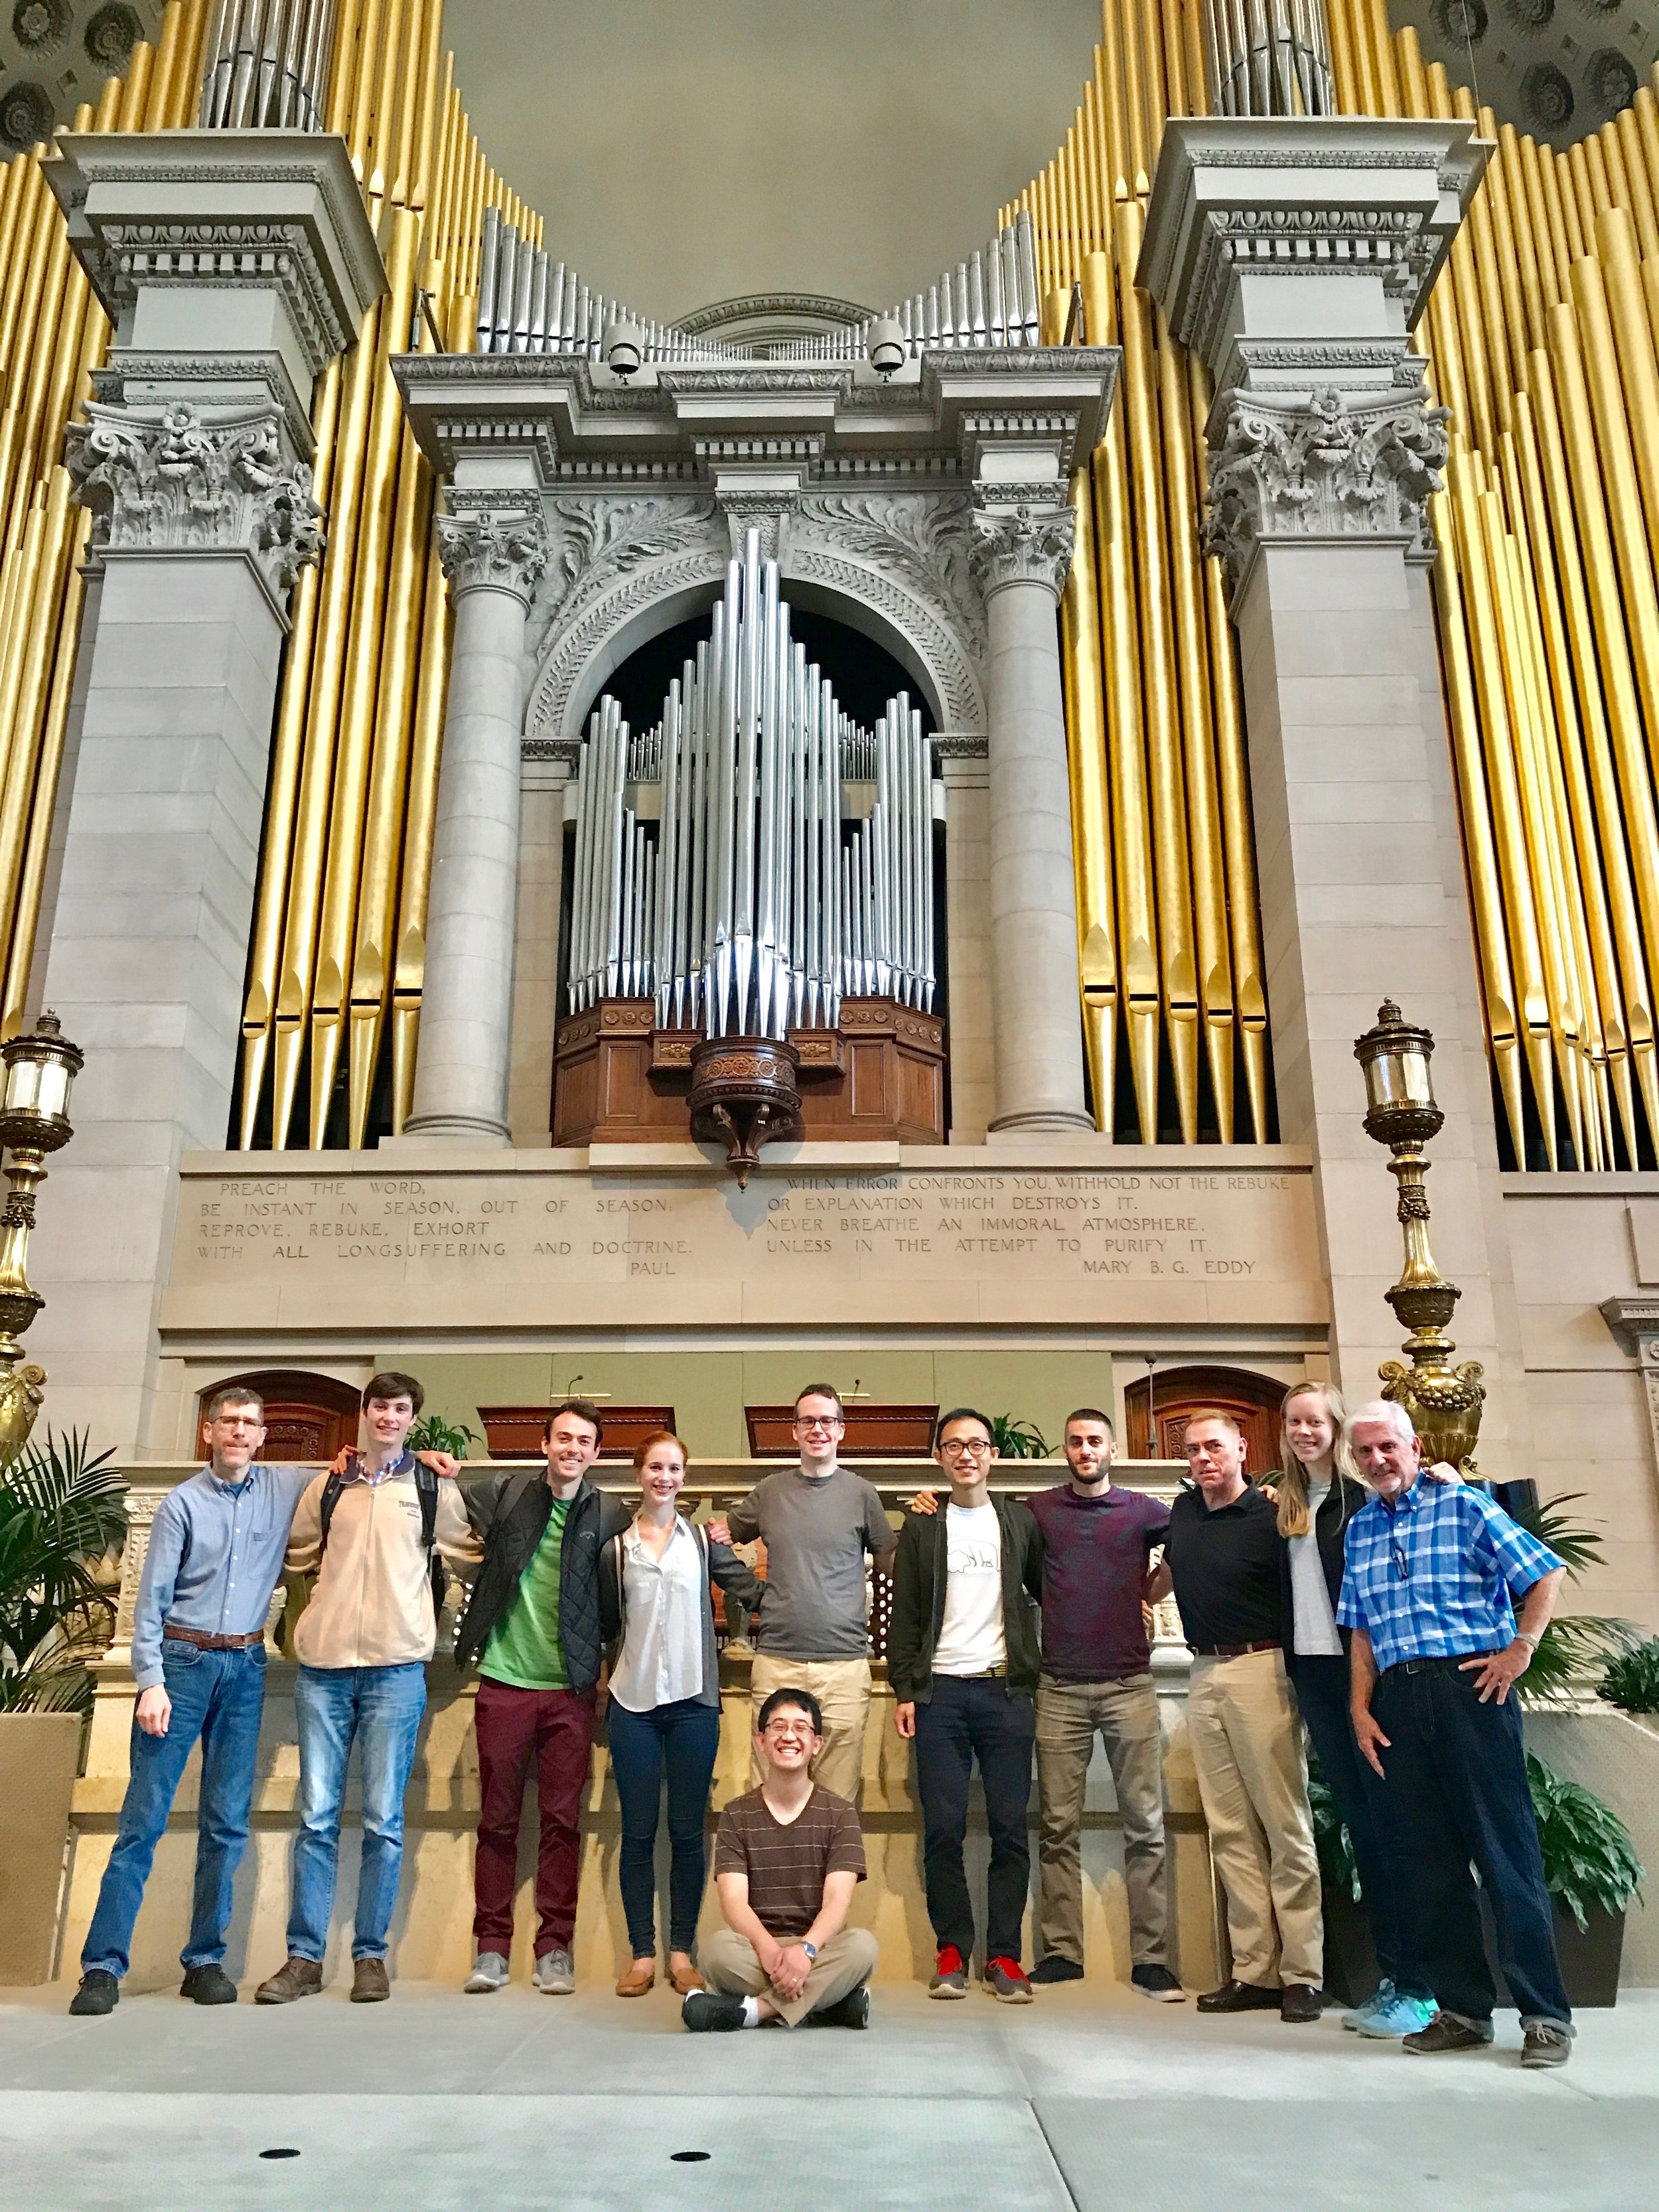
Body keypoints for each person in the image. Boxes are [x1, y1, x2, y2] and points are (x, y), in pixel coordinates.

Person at [1340, 1399, 1573, 2069]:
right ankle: (1464, 2010)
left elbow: (1543, 1571)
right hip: (1396, 1697)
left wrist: (1521, 1648)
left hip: (1471, 1688)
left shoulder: (1464, 1507)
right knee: (1427, 1864)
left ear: (1414, 1447)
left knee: (1505, 1856)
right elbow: (1359, 1628)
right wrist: (1360, 1709)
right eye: (1365, 1452)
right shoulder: (1359, 1531)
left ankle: (1545, 2016)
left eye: (1388, 1447)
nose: (1378, 1460)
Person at [70, 1389, 308, 2016]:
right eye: (228, 1421)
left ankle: (204, 1959)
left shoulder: (284, 1488)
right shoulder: (182, 1503)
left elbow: (357, 1464)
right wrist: (149, 1680)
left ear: (263, 1435)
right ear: (209, 1432)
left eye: (250, 1423)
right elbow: (150, 1601)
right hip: (181, 1664)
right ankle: (101, 1966)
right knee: (142, 1820)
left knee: (226, 1822)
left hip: (246, 1666)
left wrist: (428, 1458)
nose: (239, 1431)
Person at [255, 1372, 474, 2006]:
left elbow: (474, 1555)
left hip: (396, 1672)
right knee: (317, 1817)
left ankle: (370, 1954)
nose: (388, 1416)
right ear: (364, 1412)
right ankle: (303, 1957)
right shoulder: (330, 1484)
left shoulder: (432, 1487)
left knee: (383, 1819)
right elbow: (296, 1559)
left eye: (401, 1408)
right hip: (323, 1670)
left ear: (414, 1419)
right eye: (379, 1405)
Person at [1271, 1380, 1438, 2037]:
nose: (1304, 1431)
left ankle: (1421, 1986)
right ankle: (1394, 1978)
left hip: (1365, 1675)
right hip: (1312, 1676)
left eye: (1315, 1421)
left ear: (1336, 1428)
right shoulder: (1285, 1503)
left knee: (1398, 1829)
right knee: (1365, 1830)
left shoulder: (1361, 1497)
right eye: (1293, 1421)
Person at [450, 1397, 630, 1996]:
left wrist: (604, 1671)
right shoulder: (507, 1495)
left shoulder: (608, 1514)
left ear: (596, 1453)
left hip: (571, 1690)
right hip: (505, 1681)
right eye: (562, 1438)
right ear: (545, 1444)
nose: (572, 1448)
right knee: (497, 1822)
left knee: (561, 1823)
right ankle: (491, 1948)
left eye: (584, 1441)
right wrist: (433, 1461)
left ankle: (555, 1947)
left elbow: (618, 1600)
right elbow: (446, 1489)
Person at [1161, 1409, 1324, 2023]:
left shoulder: (1274, 1513)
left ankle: (1303, 1972)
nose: (1204, 1457)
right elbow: (1161, 1570)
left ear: (1240, 1448)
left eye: (1215, 1447)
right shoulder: (1181, 1513)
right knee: (1229, 1829)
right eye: (1194, 1449)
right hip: (1203, 1673)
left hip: (1263, 1668)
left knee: (1285, 1826)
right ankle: (1255, 1970)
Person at [889, 1407, 1045, 2003]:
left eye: (977, 1444)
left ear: (993, 1455)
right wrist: (906, 1689)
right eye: (953, 1446)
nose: (966, 1455)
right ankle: (952, 1948)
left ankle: (1005, 1955)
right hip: (941, 1695)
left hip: (1006, 1692)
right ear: (939, 1457)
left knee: (1009, 1830)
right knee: (944, 1829)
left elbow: (1044, 1589)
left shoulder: (1018, 1521)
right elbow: (904, 1616)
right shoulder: (924, 1526)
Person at [599, 1429, 762, 1998]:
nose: (664, 1477)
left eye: (674, 1469)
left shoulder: (700, 1539)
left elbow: (751, 1591)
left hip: (694, 1702)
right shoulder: (617, 1546)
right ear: (638, 1473)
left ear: (684, 1478)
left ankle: (681, 1949)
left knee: (689, 1833)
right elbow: (603, 1622)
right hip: (633, 1703)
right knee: (639, 1833)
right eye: (655, 1468)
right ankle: (642, 1954)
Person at [1027, 1408, 1182, 1998]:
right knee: (1057, 1827)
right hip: (1058, 1686)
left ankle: (1153, 1959)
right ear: (1065, 1449)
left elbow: (1189, 1543)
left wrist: (1155, 1586)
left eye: (1095, 1440)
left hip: (1128, 1684)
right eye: (1075, 1441)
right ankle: (1063, 1952)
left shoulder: (1143, 1510)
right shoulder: (1040, 1509)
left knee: (1146, 1825)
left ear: (1111, 1447)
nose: (1085, 1449)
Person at [706, 1382, 896, 1803]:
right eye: (808, 1420)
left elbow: (890, 1561)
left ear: (841, 1430)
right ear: (794, 1431)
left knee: (838, 1801)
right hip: (778, 1662)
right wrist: (756, 1595)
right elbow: (723, 1537)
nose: (818, 1429)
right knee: (773, 1799)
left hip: (844, 1668)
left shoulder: (862, 1494)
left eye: (827, 1420)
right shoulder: (771, 1491)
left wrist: (929, 1530)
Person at [683, 1686, 878, 2030]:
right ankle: (828, 2007)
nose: (790, 1736)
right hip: (758, 1950)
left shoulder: (841, 1814)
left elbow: (836, 1904)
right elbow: (733, 1903)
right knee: (715, 1952)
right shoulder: (736, 1815)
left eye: (801, 1728)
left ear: (817, 1745)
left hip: (818, 1949)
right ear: (761, 1740)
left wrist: (806, 1952)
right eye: (778, 1727)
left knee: (862, 1948)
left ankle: (755, 2011)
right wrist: (770, 1951)